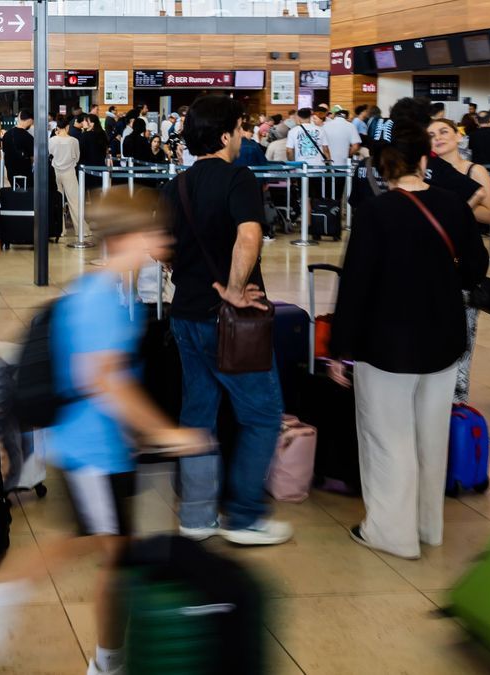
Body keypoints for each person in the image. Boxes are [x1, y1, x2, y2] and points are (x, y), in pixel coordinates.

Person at [0, 191, 210, 675]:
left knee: (96, 546)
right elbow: (106, 382)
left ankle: (16, 621)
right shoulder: (102, 300)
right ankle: (95, 656)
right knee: (109, 554)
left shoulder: (110, 293)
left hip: (99, 449)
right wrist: (168, 433)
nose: (162, 244)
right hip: (92, 453)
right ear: (126, 240)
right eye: (153, 235)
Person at [328, 120, 489, 560]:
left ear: (383, 166)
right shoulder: (453, 205)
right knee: (430, 435)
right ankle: (427, 526)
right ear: (425, 158)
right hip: (443, 340)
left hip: (386, 343)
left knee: (387, 437)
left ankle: (391, 532)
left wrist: (341, 349)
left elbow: (356, 284)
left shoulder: (376, 213)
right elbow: (476, 269)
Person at [164, 94, 292, 546]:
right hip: (230, 322)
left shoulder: (176, 185)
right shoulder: (238, 177)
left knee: (198, 414)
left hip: (185, 315)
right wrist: (235, 291)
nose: (242, 137)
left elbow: (162, 248)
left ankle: (197, 516)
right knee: (261, 413)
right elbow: (250, 234)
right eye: (239, 129)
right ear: (224, 135)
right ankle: (244, 515)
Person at [428, 117, 490, 405]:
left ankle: (457, 401)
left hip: (464, 261)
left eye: (444, 131)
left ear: (457, 136)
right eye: (431, 134)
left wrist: (457, 209)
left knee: (464, 333)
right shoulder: (426, 173)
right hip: (433, 261)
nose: (438, 137)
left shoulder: (474, 171)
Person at [49, 117, 85, 236]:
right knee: (74, 201)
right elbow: (77, 157)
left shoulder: (52, 140)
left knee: (57, 201)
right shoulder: (74, 141)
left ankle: (60, 230)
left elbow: (49, 155)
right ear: (67, 127)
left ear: (57, 128)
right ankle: (81, 230)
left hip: (55, 172)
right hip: (69, 171)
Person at [2, 109, 35, 183]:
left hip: (10, 173)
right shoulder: (28, 137)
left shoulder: (7, 135)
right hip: (25, 174)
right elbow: (33, 157)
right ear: (29, 120)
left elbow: (4, 152)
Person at [79, 114, 109, 189]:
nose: (83, 122)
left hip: (87, 167)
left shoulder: (85, 135)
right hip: (100, 166)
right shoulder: (102, 134)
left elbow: (81, 152)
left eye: (85, 121)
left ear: (92, 124)